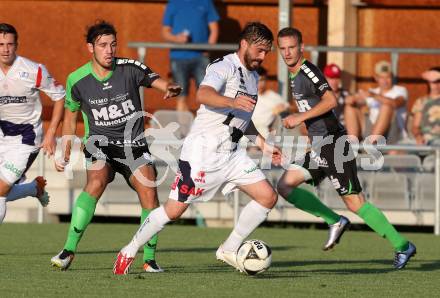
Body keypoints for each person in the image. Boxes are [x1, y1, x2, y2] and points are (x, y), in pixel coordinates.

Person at [113, 22, 282, 275]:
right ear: (244, 44)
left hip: (232, 154)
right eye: (259, 50)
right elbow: (202, 95)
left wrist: (262, 143)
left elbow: (241, 119)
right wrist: (231, 100)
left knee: (268, 196)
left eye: (267, 52)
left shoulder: (254, 76)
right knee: (174, 210)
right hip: (202, 154)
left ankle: (229, 248)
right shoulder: (222, 67)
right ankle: (129, 249)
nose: (262, 57)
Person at [276, 27, 416, 269]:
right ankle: (334, 221)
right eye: (283, 48)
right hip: (320, 146)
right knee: (285, 186)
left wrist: (300, 118)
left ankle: (403, 246)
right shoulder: (293, 72)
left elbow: (330, 100)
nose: (287, 52)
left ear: (301, 47)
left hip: (334, 144)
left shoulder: (308, 71)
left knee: (355, 202)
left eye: (292, 47)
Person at [50, 21, 181, 272]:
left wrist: (169, 87)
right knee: (96, 182)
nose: (109, 50)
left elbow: (155, 80)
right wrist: (65, 145)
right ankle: (68, 250)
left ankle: (149, 260)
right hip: (99, 143)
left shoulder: (130, 67)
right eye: (102, 45)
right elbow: (70, 116)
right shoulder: (76, 80)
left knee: (149, 192)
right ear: (90, 48)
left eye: (112, 44)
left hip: (133, 144)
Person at [0, 23, 64, 223]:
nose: (5, 49)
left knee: (0, 190)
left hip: (27, 139)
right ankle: (33, 188)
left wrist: (51, 133)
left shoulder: (34, 70)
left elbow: (60, 97)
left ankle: (31, 188)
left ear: (17, 45)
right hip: (2, 135)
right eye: (1, 44)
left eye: (10, 44)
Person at [162, 0, 219, 111]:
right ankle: (183, 128)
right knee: (181, 96)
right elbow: (165, 32)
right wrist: (176, 39)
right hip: (178, 57)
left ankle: (204, 127)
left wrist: (208, 49)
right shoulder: (173, 3)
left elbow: (214, 29)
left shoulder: (206, 2)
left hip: (201, 57)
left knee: (206, 95)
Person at [344, 60, 408, 144]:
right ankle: (353, 145)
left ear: (392, 77)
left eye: (388, 77)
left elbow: (396, 103)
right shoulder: (372, 92)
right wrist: (352, 99)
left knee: (386, 106)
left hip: (393, 133)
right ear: (376, 78)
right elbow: (353, 101)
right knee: (350, 108)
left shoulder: (400, 90)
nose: (385, 81)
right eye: (382, 77)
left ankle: (370, 145)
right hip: (372, 130)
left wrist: (373, 96)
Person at [252, 66, 289, 138]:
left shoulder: (273, 97)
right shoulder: (244, 96)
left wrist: (283, 109)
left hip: (264, 133)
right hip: (245, 134)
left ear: (266, 80)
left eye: (262, 80)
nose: (260, 83)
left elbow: (289, 108)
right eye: (256, 80)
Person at [411, 67, 440, 145]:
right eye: (433, 82)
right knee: (394, 151)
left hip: (438, 141)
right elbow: (415, 126)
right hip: (424, 139)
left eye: (438, 81)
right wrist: (418, 137)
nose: (436, 84)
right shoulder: (421, 101)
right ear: (428, 82)